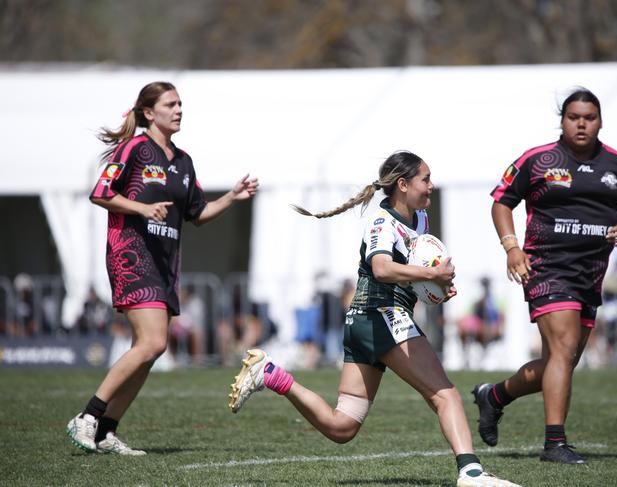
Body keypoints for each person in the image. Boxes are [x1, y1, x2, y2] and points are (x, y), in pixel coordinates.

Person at [228, 151, 520, 487]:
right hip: (381, 316)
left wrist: (433, 286)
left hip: (365, 323)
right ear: (403, 184)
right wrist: (430, 273)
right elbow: (381, 268)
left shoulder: (420, 220)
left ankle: (270, 374)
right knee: (445, 394)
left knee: (342, 427)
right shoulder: (382, 223)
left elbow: (411, 275)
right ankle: (471, 473)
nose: (431, 186)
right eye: (425, 179)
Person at [66, 81, 259, 455]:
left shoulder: (183, 161)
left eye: (181, 104)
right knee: (153, 342)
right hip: (132, 256)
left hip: (166, 265)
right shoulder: (135, 149)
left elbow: (198, 214)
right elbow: (101, 193)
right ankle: (87, 417)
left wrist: (232, 197)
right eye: (171, 104)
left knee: (152, 348)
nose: (179, 110)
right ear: (149, 113)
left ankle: (106, 431)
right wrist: (141, 209)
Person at [473, 88, 617, 464]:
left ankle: (494, 396)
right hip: (545, 268)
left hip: (591, 275)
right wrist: (512, 247)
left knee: (561, 361)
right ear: (563, 120)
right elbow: (502, 201)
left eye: (589, 117)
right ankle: (555, 444)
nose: (581, 123)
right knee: (564, 351)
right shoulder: (538, 160)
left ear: (600, 121)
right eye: (573, 117)